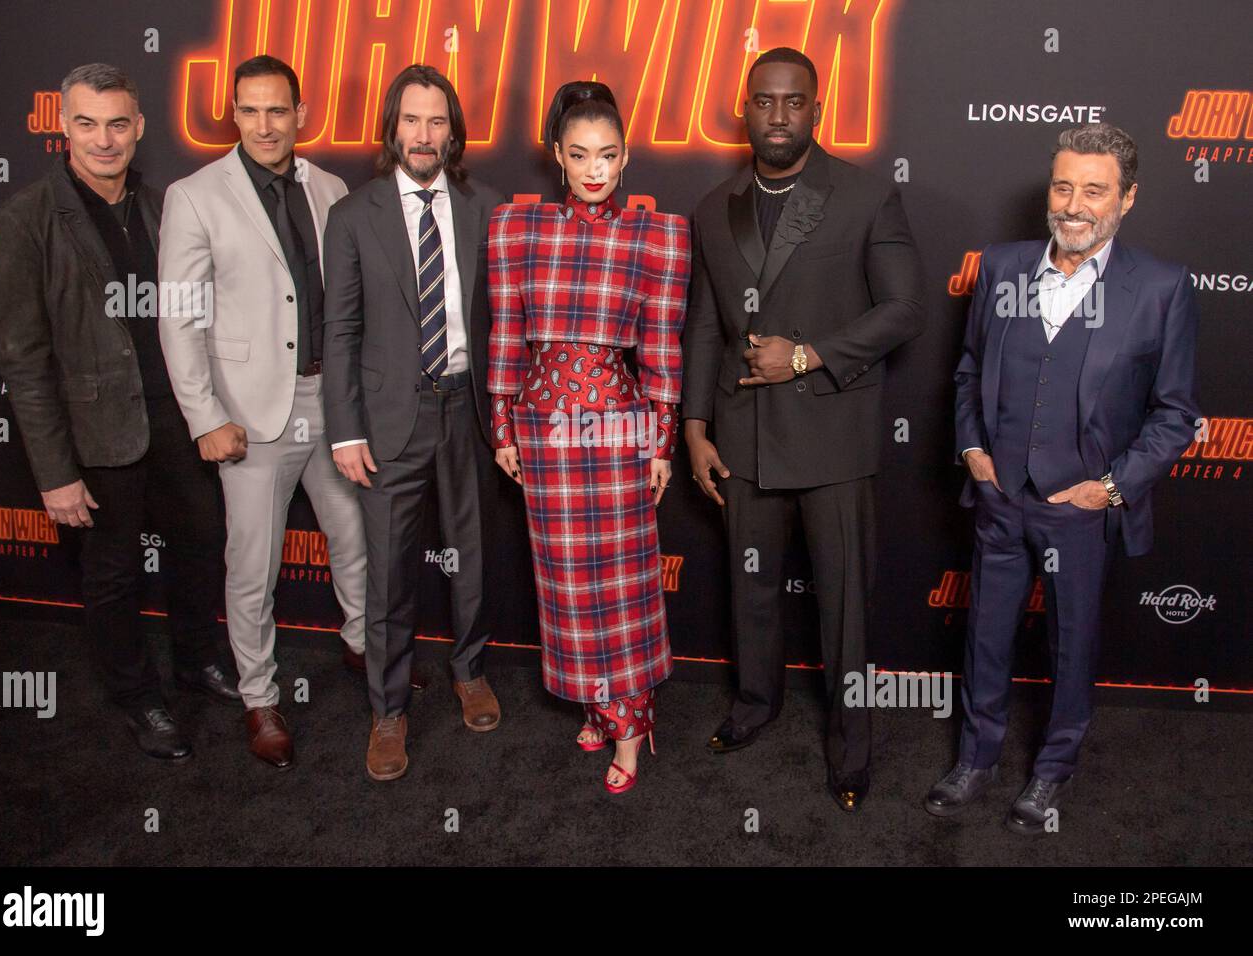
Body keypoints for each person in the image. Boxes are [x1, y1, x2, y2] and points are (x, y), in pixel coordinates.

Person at [926, 123, 1200, 834]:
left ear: (1127, 198)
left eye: (1094, 191)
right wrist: (972, 448)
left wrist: (1110, 488)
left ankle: (1052, 769)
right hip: (1001, 495)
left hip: (1081, 507)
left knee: (1072, 645)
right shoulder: (1002, 266)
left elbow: (1175, 414)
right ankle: (976, 758)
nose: (1074, 205)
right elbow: (967, 373)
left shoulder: (1160, 288)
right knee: (986, 634)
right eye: (1063, 187)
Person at [681, 47, 924, 811]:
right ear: (744, 110)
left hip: (831, 437)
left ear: (817, 110)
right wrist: (694, 426)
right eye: (765, 100)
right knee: (750, 587)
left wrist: (808, 355)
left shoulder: (866, 195)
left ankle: (852, 745)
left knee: (844, 604)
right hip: (742, 435)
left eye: (794, 101)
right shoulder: (713, 208)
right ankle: (755, 704)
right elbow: (704, 326)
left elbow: (904, 309)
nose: (778, 114)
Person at [0, 63, 237, 761]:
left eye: (118, 124)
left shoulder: (165, 207)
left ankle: (197, 660)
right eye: (88, 124)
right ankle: (136, 696)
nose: (104, 139)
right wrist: (55, 473)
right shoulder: (24, 219)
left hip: (179, 418)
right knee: (113, 575)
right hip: (97, 433)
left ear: (139, 127)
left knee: (201, 546)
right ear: (63, 127)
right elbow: (23, 360)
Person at [158, 55, 368, 769]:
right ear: (234, 114)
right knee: (253, 565)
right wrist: (205, 416)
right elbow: (179, 317)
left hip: (330, 403)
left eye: (277, 109)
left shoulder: (330, 187)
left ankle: (363, 647)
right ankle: (259, 697)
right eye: (249, 110)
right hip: (248, 413)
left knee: (353, 539)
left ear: (301, 113)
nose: (264, 124)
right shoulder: (195, 196)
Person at [487, 81, 690, 794]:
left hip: (617, 430)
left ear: (625, 155)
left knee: (623, 585)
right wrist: (503, 426)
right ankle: (596, 706)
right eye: (579, 155)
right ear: (558, 155)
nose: (594, 169)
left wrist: (662, 442)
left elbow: (661, 349)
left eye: (607, 154)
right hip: (544, 433)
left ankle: (631, 723)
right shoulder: (517, 229)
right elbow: (507, 333)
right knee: (567, 586)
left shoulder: (657, 235)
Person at [322, 64, 504, 782]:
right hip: (389, 419)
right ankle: (389, 709)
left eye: (436, 121)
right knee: (390, 575)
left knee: (473, 558)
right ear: (391, 128)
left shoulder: (487, 206)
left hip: (468, 409)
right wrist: (345, 430)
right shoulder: (352, 215)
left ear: (453, 132)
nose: (424, 135)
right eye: (411, 120)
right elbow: (339, 331)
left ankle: (470, 671)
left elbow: (507, 320)